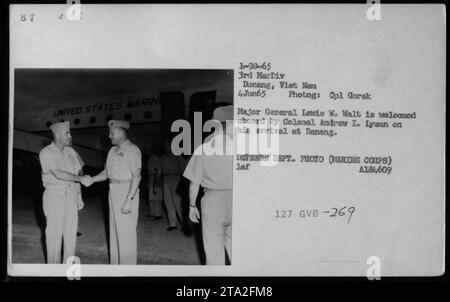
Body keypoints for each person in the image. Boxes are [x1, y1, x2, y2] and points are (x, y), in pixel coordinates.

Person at [183, 105, 233, 265]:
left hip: (213, 201)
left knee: (213, 250)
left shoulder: (204, 147)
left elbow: (194, 183)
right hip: (239, 199)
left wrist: (192, 206)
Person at [87, 120, 142, 265]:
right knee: (115, 233)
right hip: (113, 191)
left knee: (126, 235)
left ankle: (128, 272)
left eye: (112, 133)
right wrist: (92, 179)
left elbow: (137, 177)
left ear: (121, 133)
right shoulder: (112, 151)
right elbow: (106, 173)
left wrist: (129, 200)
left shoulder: (133, 150)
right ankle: (116, 269)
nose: (109, 136)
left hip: (127, 191)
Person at [38, 121, 89, 264]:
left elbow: (78, 171)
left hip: (71, 195)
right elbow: (58, 173)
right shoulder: (46, 152)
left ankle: (68, 269)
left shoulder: (71, 151)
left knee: (71, 234)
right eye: (67, 133)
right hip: (55, 196)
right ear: (57, 135)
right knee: (53, 236)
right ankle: (53, 270)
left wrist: (79, 195)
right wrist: (80, 178)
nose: (70, 136)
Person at [161, 139, 186, 231]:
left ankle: (184, 224)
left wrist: (184, 182)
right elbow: (159, 169)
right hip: (165, 179)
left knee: (178, 202)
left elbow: (183, 170)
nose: (166, 147)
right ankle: (173, 224)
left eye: (168, 145)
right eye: (165, 146)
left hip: (176, 178)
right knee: (168, 202)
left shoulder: (178, 156)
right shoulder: (163, 157)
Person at [147, 147, 163, 220]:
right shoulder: (150, 159)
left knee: (156, 197)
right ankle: (152, 213)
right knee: (151, 197)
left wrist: (157, 180)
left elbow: (159, 170)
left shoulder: (157, 159)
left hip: (155, 178)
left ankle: (158, 214)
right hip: (151, 178)